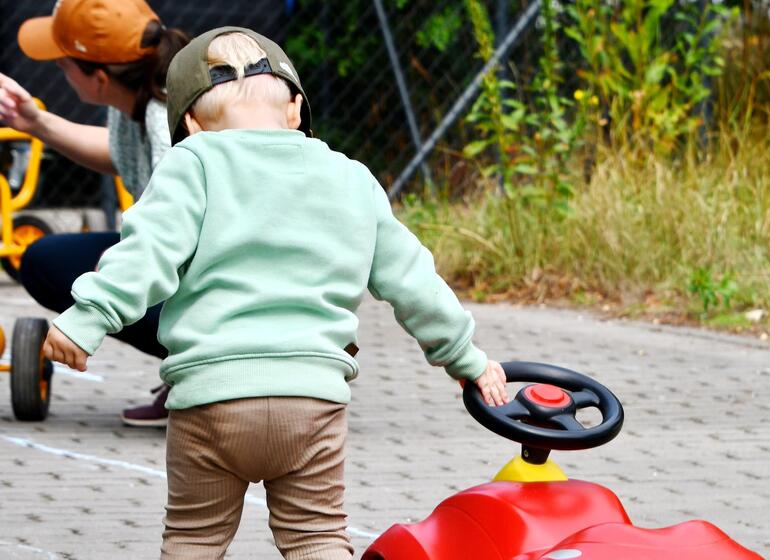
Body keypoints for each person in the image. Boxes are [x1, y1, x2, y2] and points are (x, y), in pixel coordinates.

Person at [42, 27, 509, 559]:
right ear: (294, 109)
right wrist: (464, 356)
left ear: (190, 124)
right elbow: (412, 280)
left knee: (193, 538)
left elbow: (145, 255)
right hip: (312, 402)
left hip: (210, 402)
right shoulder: (350, 177)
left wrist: (86, 319)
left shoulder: (192, 164)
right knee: (317, 536)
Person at [0, 0, 189, 426]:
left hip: (227, 275)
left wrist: (103, 291)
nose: (60, 72)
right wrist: (35, 122)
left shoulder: (166, 121)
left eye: (64, 64)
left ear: (99, 77)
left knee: (106, 270)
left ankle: (207, 373)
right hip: (188, 256)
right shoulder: (141, 96)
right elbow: (118, 155)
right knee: (46, 261)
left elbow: (186, 240)